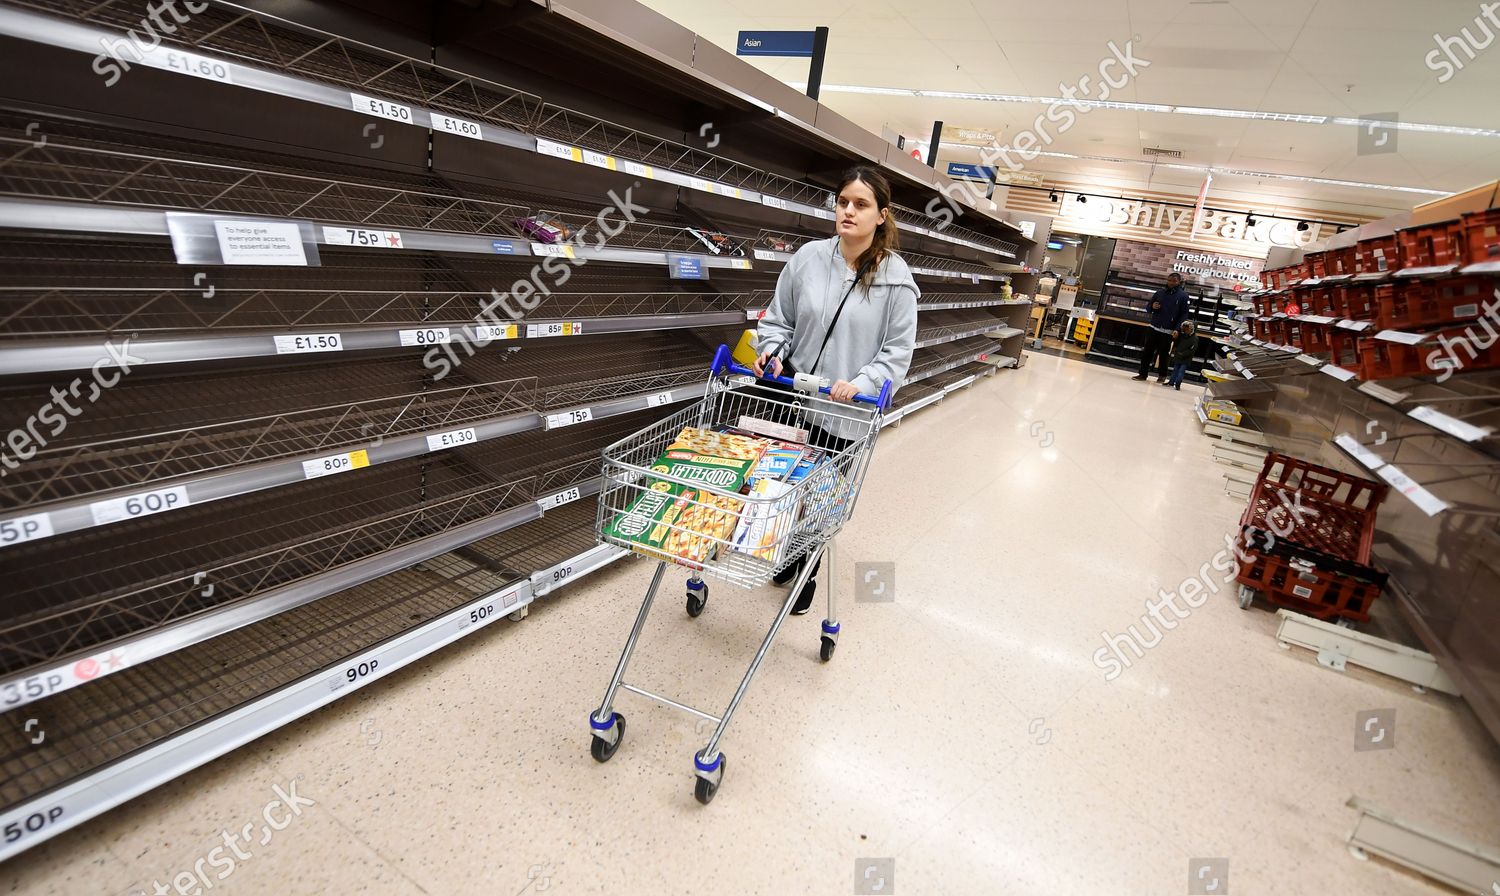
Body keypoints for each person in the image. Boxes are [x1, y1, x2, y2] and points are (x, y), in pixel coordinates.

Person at [751, 166, 919, 615]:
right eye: (843, 202)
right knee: (784, 484)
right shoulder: (807, 259)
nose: (848, 211)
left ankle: (806, 566)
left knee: (821, 496)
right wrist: (771, 351)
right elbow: (778, 319)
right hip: (792, 399)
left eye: (861, 205)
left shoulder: (897, 280)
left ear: (882, 215)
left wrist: (860, 384)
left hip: (847, 412)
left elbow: (896, 352)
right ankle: (787, 552)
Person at [1132, 273, 1190, 383]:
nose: (1171, 283)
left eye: (1174, 281)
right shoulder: (1160, 293)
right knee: (1147, 353)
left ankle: (1162, 376)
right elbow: (1148, 308)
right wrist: (1152, 307)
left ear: (1179, 282)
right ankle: (1142, 374)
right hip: (1154, 327)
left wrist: (1177, 329)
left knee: (1164, 355)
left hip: (1168, 331)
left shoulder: (1183, 296)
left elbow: (1183, 315)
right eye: (1170, 280)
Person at [1164, 321, 1199, 390]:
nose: (1186, 330)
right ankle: (1171, 382)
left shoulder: (1195, 338)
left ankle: (1178, 384)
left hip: (1186, 359)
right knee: (1175, 370)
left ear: (1192, 329)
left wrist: (1183, 354)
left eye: (1188, 329)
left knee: (1181, 372)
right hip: (1178, 356)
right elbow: (1177, 343)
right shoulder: (1182, 335)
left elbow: (1192, 350)